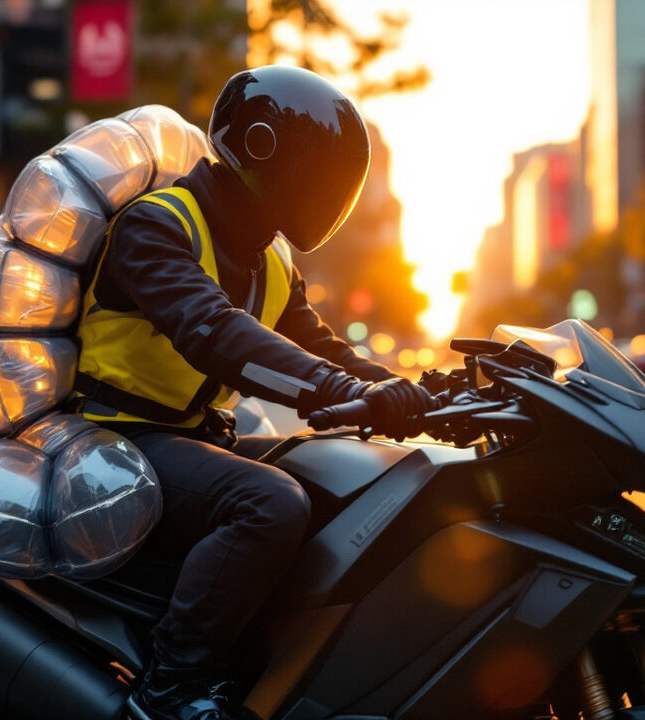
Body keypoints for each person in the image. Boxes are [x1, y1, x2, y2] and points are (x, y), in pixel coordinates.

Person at [71, 65, 435, 720]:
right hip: (114, 438)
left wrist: (419, 392)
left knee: (341, 477)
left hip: (195, 437)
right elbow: (214, 331)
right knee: (267, 503)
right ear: (261, 148)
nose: (327, 194)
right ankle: (171, 685)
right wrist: (332, 387)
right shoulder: (155, 226)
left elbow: (323, 347)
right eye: (318, 173)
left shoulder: (269, 259)